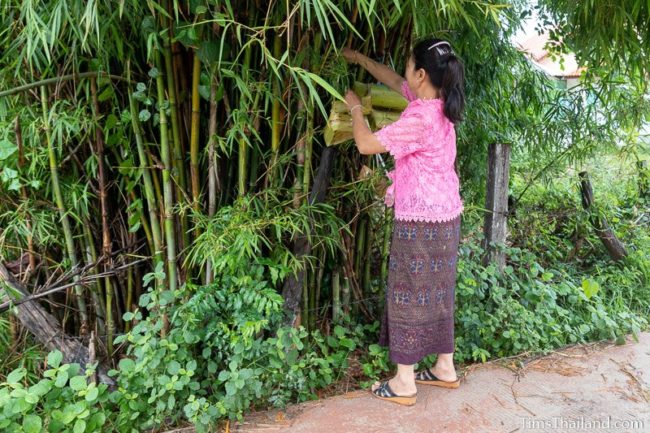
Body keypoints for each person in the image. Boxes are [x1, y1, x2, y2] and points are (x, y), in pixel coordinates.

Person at [341, 37, 466, 406]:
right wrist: (359, 57)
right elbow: (396, 81)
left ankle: (404, 382)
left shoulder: (419, 118)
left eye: (409, 64)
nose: (404, 71)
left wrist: (355, 110)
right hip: (447, 217)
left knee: (407, 292)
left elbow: (365, 145)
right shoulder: (439, 104)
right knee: (439, 293)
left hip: (420, 222)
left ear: (423, 73)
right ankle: (445, 367)